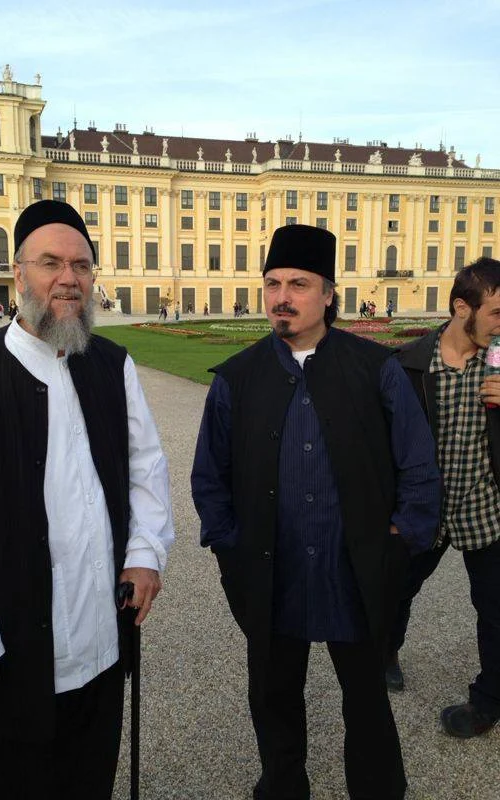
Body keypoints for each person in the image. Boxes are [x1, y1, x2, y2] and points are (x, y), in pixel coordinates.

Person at [0, 200, 175, 800]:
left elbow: (147, 467)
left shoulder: (113, 365)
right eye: (51, 263)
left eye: (82, 266)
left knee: (90, 781)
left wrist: (145, 553)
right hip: (15, 652)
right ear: (18, 275)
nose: (69, 279)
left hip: (101, 638)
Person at [191, 224, 440, 800]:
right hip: (271, 569)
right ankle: (282, 788)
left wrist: (402, 540)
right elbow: (210, 476)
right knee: (274, 697)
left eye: (298, 284)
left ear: (329, 293)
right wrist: (229, 542)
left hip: (352, 567)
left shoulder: (376, 368)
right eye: (273, 283)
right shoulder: (237, 377)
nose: (282, 296)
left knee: (367, 699)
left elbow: (418, 464)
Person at [386, 257, 500, 738]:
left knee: (496, 611)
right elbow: (381, 448)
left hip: (485, 513)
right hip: (425, 513)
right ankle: (385, 651)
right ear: (461, 307)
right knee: (395, 592)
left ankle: (488, 702)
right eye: (496, 313)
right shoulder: (409, 365)